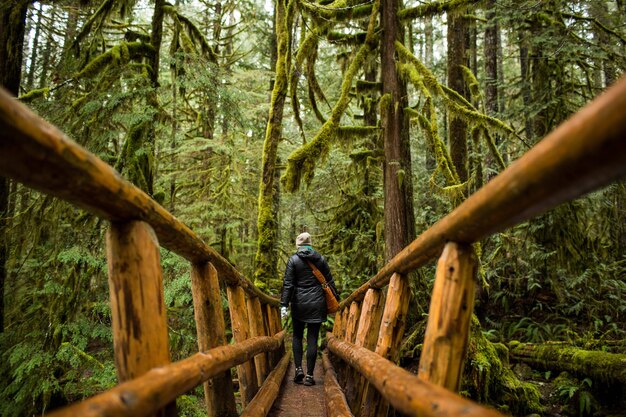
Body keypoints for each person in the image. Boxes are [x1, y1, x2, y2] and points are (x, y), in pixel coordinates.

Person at [280, 232, 339, 386]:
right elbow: (329, 281)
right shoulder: (320, 259)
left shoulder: (293, 260)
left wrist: (284, 304)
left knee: (297, 336)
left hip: (299, 303)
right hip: (317, 303)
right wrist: (336, 299)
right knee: (312, 338)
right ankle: (310, 376)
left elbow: (288, 284)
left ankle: (299, 369)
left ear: (298, 245)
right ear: (310, 244)